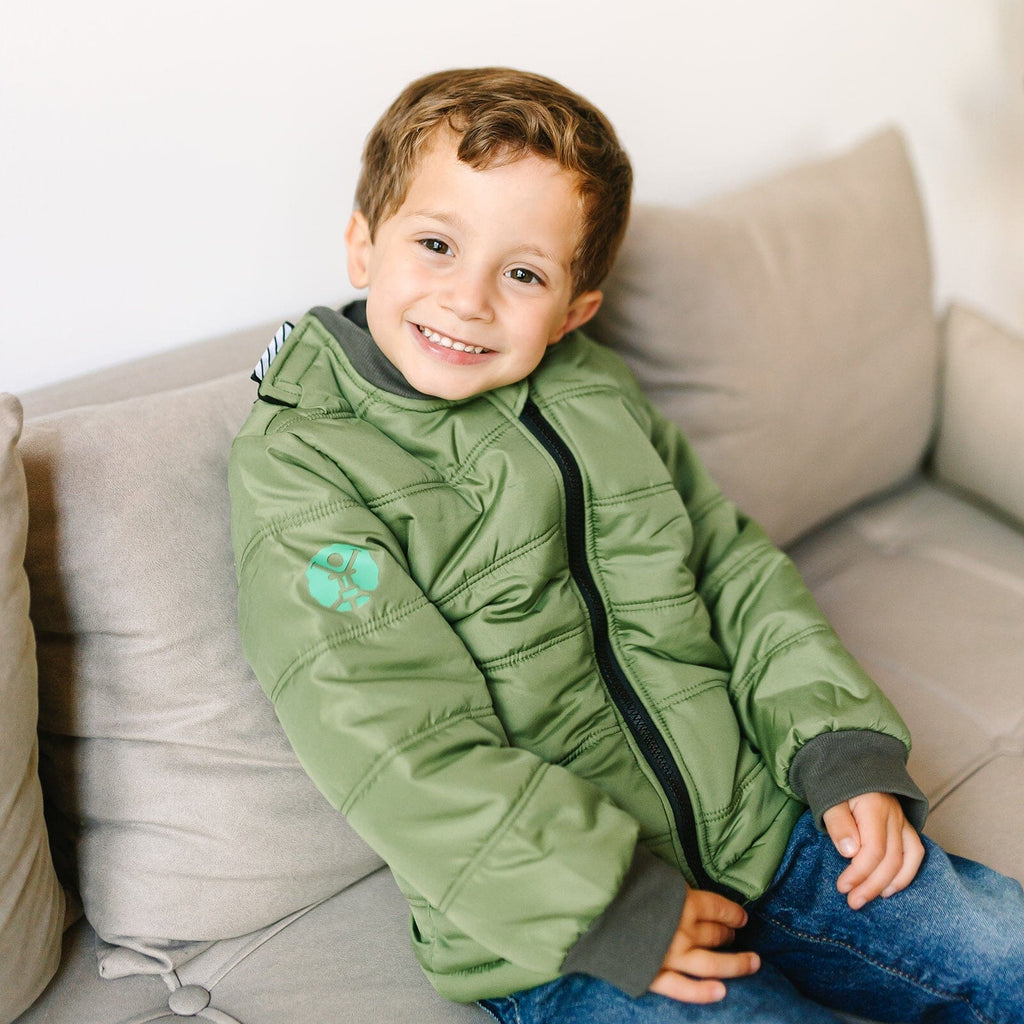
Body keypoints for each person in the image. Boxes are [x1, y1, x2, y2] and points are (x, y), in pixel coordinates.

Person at [228, 67, 1024, 1023]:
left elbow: (732, 566)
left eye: (522, 273)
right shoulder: (303, 470)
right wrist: (607, 903)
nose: (470, 299)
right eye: (436, 244)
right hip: (560, 927)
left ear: (574, 311)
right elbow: (391, 736)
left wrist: (840, 749)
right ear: (363, 245)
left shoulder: (592, 389)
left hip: (768, 825)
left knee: (1000, 952)